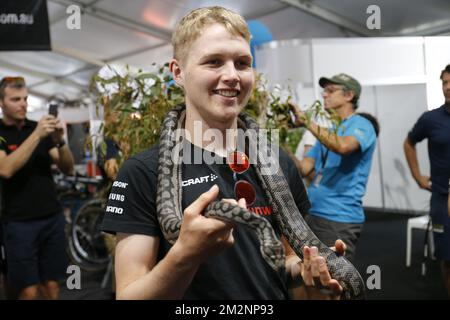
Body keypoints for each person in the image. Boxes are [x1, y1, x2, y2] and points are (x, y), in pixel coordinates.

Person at [101, 6, 347, 300]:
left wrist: (307, 270)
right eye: (214, 62)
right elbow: (128, 295)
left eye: (242, 63)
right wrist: (185, 254)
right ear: (178, 72)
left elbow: (285, 261)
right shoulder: (143, 171)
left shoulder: (277, 162)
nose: (232, 75)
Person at [0, 76, 74, 299]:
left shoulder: (37, 128)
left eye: (25, 98)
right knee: (28, 291)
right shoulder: (6, 133)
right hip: (18, 223)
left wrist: (60, 141)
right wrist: (37, 135)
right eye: (15, 99)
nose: (23, 103)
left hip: (51, 217)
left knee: (52, 286)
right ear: (1, 103)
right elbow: (6, 169)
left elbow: (67, 168)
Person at [290, 73, 377, 261]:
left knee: (333, 283)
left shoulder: (362, 125)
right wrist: (276, 140)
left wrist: (306, 121)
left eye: (330, 90)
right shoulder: (329, 133)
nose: (324, 95)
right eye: (324, 91)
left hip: (338, 219)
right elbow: (303, 168)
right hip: (312, 213)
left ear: (349, 96)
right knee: (308, 278)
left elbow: (343, 147)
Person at [403, 64, 450, 297]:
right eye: (444, 82)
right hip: (442, 199)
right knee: (447, 258)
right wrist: (417, 175)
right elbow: (409, 143)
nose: (448, 87)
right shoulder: (431, 119)